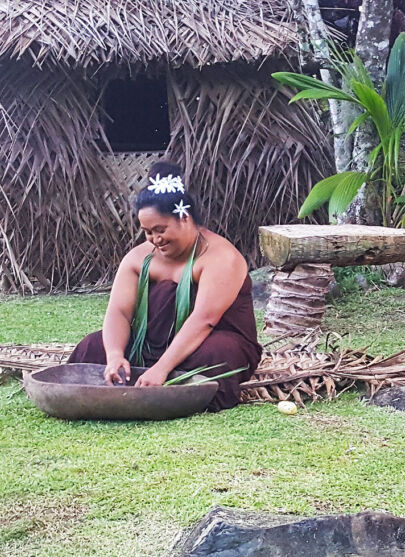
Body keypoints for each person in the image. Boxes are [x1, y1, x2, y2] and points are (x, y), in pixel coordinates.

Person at [69, 161, 262, 411]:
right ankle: (140, 374)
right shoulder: (139, 258)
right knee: (93, 346)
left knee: (218, 354)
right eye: (147, 232)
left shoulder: (220, 257)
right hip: (150, 345)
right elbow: (119, 311)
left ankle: (162, 376)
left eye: (160, 229)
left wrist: (162, 368)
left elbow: (204, 319)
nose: (154, 239)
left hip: (206, 342)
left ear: (184, 217)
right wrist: (115, 355)